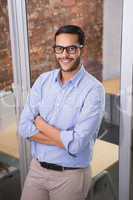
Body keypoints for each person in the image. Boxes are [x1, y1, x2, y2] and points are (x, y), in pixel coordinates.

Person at [19, 25, 105, 200]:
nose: (64, 55)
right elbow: (24, 128)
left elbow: (77, 145)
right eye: (60, 48)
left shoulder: (94, 90)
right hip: (37, 170)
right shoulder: (43, 81)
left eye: (71, 49)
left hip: (70, 177)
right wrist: (65, 140)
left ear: (82, 50)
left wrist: (41, 125)